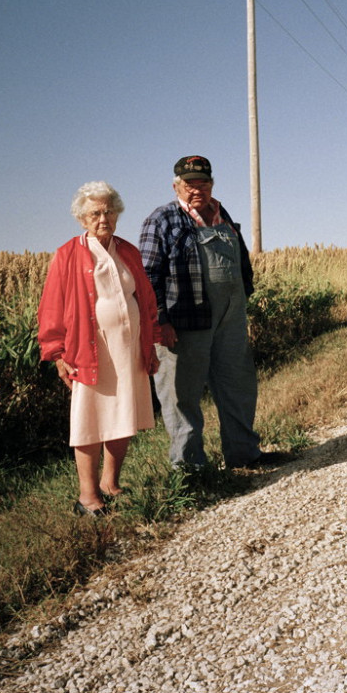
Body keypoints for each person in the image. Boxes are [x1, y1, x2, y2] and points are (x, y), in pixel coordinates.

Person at [38, 181, 163, 516]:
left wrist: (149, 342)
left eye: (109, 210)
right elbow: (51, 306)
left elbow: (145, 300)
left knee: (124, 415)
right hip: (89, 350)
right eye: (95, 212)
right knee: (90, 420)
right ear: (82, 218)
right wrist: (56, 352)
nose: (103, 217)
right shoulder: (68, 254)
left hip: (129, 349)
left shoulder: (128, 251)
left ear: (117, 213)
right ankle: (87, 497)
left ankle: (111, 483)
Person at [140, 155, 268, 469]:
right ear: (176, 186)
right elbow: (148, 276)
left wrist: (242, 299)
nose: (197, 190)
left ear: (212, 184)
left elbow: (242, 263)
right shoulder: (162, 219)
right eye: (189, 184)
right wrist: (161, 321)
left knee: (237, 386)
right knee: (181, 396)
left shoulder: (221, 213)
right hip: (184, 322)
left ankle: (243, 455)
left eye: (203, 183)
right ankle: (190, 469)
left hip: (230, 320)